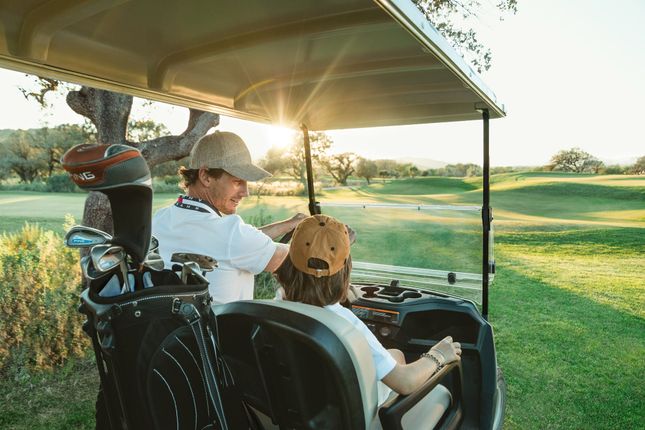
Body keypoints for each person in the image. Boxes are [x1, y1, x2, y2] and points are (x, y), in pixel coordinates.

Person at [275, 214, 462, 405]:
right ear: (345, 270)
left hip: (301, 403)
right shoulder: (344, 324)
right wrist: (438, 355)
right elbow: (405, 382)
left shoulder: (275, 305)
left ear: (289, 259)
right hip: (350, 413)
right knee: (399, 362)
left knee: (396, 355)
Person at [152, 130, 306, 303]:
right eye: (237, 181)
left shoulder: (159, 219)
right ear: (206, 176)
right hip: (226, 329)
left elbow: (236, 242)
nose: (245, 192)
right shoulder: (231, 234)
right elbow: (294, 258)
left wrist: (287, 225)